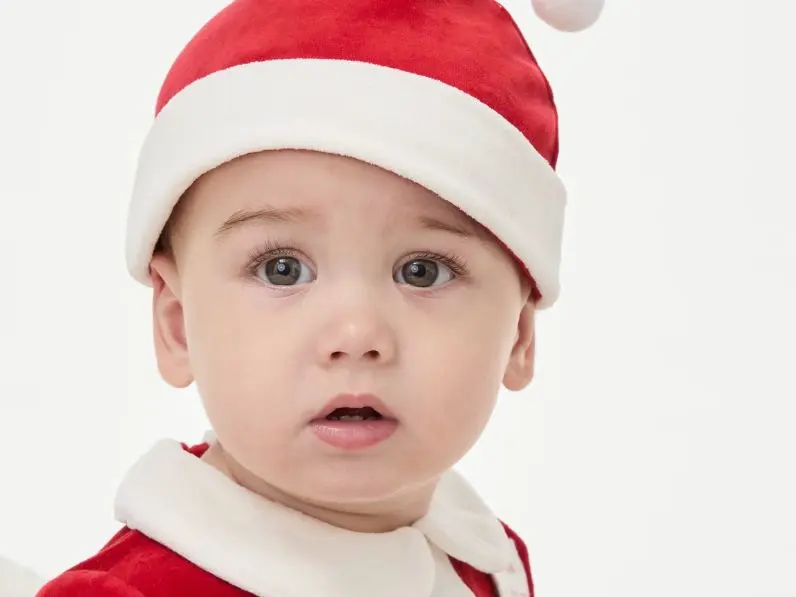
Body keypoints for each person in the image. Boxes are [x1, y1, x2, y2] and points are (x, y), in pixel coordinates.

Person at [31, 0, 604, 595]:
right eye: (282, 270)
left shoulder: (488, 561)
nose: (357, 334)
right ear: (177, 325)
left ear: (518, 337)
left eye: (423, 271)